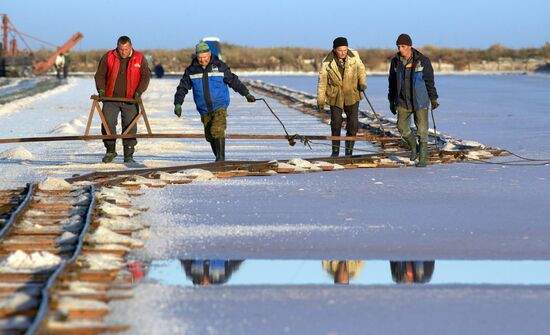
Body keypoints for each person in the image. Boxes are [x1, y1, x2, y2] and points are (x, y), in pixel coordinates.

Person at [173, 41, 256, 161]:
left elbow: (233, 81)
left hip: (219, 105)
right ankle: (218, 158)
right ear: (196, 56)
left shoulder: (220, 66)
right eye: (200, 58)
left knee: (217, 130)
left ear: (209, 54)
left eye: (205, 57)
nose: (202, 60)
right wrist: (178, 103)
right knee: (210, 135)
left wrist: (246, 93)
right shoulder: (191, 70)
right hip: (203, 109)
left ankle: (220, 160)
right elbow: (182, 88)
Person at [94, 35, 150, 163]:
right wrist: (101, 89)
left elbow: (145, 77)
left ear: (130, 46)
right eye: (121, 49)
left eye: (126, 49)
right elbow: (100, 74)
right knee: (108, 123)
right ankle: (110, 150)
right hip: (110, 98)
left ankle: (128, 155)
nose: (123, 52)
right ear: (117, 47)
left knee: (130, 126)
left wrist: (139, 91)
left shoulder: (140, 58)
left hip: (131, 100)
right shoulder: (108, 56)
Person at [388, 33, 439, 167]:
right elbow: (392, 82)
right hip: (402, 101)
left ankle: (423, 158)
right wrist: (391, 100)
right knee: (402, 128)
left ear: (410, 46)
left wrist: (433, 98)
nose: (400, 49)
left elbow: (429, 81)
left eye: (403, 46)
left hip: (420, 101)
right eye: (398, 46)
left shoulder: (423, 60)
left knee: (422, 130)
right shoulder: (395, 61)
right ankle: (414, 147)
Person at [317, 37, 367, 157]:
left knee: (353, 124)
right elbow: (322, 82)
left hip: (352, 93)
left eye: (345, 50)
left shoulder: (354, 56)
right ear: (334, 50)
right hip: (335, 95)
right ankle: (335, 152)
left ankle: (349, 152)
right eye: (340, 50)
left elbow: (361, 69)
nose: (343, 53)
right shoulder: (327, 62)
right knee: (336, 123)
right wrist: (320, 100)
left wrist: (362, 82)